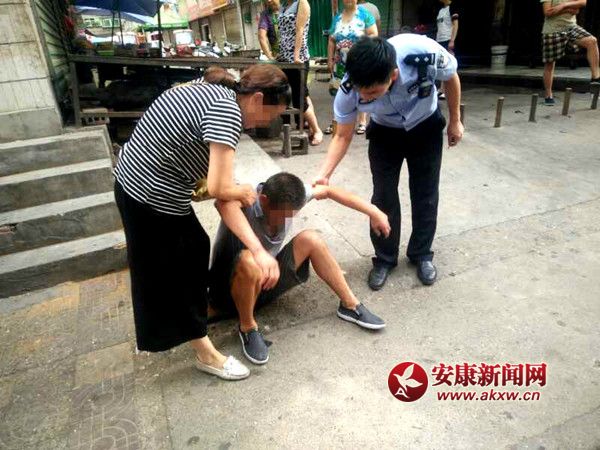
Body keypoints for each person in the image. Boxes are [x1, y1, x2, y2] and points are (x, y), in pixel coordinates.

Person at [113, 65, 291, 381]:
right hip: (148, 195)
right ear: (256, 98)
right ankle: (205, 352)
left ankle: (196, 314)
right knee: (175, 266)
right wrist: (241, 193)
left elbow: (201, 167)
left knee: (194, 247)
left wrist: (222, 187)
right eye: (270, 115)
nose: (266, 123)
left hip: (138, 180)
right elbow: (221, 190)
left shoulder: (217, 86)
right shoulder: (228, 112)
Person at [314, 35, 464, 291]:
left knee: (426, 193)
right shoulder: (350, 88)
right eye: (362, 92)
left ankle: (421, 254)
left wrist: (455, 120)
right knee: (383, 196)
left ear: (393, 75)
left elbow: (451, 76)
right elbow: (342, 135)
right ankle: (384, 258)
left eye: (373, 93)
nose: (365, 98)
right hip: (384, 133)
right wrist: (324, 174)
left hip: (425, 126)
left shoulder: (424, 54)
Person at [209, 172, 389, 364]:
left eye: (290, 215)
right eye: (281, 215)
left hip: (264, 284)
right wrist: (258, 251)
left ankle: (350, 305)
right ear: (264, 200)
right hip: (227, 291)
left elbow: (327, 191)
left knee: (311, 239)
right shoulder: (248, 197)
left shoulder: (293, 195)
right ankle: (247, 328)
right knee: (249, 260)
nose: (285, 220)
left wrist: (373, 211)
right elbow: (223, 204)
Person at [325, 0, 378, 136]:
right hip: (340, 62)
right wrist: (329, 60)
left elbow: (373, 34)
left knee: (361, 89)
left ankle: (362, 121)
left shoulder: (364, 15)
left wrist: (363, 49)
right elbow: (331, 40)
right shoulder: (337, 18)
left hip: (359, 61)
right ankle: (337, 120)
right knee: (338, 90)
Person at [278, 0, 324, 145]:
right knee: (300, 94)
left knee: (300, 99)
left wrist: (296, 57)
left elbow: (300, 30)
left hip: (297, 60)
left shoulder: (302, 3)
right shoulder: (283, 6)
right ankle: (308, 127)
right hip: (284, 59)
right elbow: (283, 33)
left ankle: (317, 130)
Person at [540, 0, 600, 105]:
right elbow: (548, 12)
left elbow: (582, 3)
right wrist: (569, 9)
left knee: (592, 41)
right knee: (550, 64)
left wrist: (563, 6)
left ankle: (596, 78)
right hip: (552, 30)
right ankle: (548, 95)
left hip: (571, 27)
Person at [435, 0, 459, 100]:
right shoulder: (441, 10)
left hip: (448, 39)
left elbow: (455, 25)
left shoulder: (452, 8)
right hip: (440, 40)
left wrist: (452, 40)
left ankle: (448, 91)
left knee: (449, 65)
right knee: (441, 65)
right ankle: (441, 89)